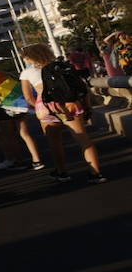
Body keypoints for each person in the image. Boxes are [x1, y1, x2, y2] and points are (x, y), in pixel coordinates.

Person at [19, 43, 105, 184]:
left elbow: (28, 97)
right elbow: (80, 86)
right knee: (83, 139)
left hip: (46, 106)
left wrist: (41, 107)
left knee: (55, 142)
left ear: (30, 57)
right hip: (69, 103)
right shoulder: (62, 66)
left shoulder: (27, 73)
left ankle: (62, 172)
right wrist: (87, 106)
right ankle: (96, 173)